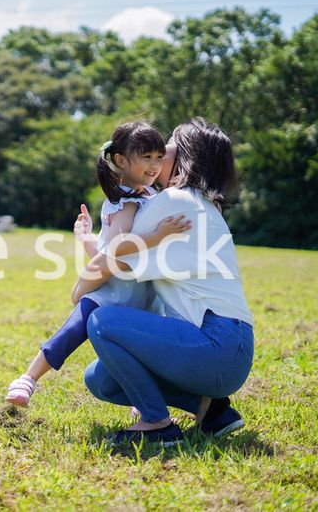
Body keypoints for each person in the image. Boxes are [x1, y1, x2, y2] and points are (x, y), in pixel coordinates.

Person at [73, 117, 254, 447]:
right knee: (101, 381)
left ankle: (157, 423)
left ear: (185, 155)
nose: (160, 151)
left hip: (214, 343)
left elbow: (112, 258)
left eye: (168, 144)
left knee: (101, 322)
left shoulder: (174, 202)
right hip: (229, 350)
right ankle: (210, 409)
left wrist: (78, 291)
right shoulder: (201, 204)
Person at [5, 121, 191, 407]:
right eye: (146, 157)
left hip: (140, 297)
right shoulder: (126, 201)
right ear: (120, 160)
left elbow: (107, 250)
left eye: (158, 157)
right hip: (109, 294)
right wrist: (158, 235)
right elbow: (118, 248)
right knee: (69, 334)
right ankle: (27, 380)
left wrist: (85, 239)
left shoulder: (148, 196)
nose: (155, 165)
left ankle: (144, 406)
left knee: (135, 356)